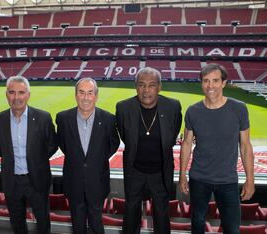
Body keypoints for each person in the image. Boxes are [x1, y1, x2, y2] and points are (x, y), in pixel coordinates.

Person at [179, 63, 255, 234]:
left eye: (215, 80)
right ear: (201, 83)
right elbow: (187, 144)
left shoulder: (239, 109)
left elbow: (245, 146)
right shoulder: (193, 111)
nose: (210, 86)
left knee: (232, 227)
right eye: (206, 81)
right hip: (199, 178)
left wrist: (250, 179)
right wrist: (182, 174)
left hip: (227, 180)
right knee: (197, 224)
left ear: (223, 83)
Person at [116, 67, 182, 234]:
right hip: (134, 170)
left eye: (151, 85)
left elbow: (171, 136)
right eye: (141, 85)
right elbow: (126, 137)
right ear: (136, 86)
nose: (146, 90)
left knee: (161, 213)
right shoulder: (123, 108)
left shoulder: (173, 107)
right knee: (131, 213)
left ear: (159, 87)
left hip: (160, 172)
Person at [0, 76, 58, 234]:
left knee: (42, 221)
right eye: (12, 92)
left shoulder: (43, 118)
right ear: (6, 95)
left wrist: (36, 161)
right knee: (16, 221)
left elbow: (52, 146)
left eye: (21, 92)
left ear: (28, 94)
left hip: (37, 179)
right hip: (11, 180)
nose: (16, 97)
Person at [55, 77, 120, 234]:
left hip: (97, 181)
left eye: (90, 93)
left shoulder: (109, 119)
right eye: (81, 92)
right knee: (77, 224)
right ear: (76, 95)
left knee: (97, 223)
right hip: (73, 181)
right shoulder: (63, 118)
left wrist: (95, 159)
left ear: (96, 96)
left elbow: (113, 145)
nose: (85, 97)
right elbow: (63, 145)